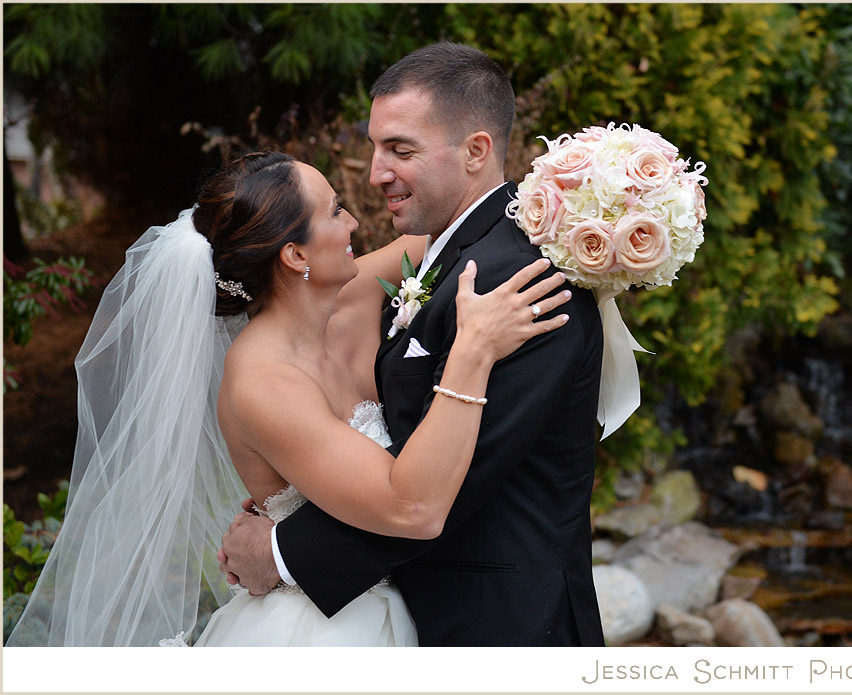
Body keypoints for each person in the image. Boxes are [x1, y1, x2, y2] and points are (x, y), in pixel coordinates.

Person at [5, 150, 571, 647]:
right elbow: (408, 508)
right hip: (323, 631)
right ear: (296, 257)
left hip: (424, 601)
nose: (353, 220)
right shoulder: (261, 384)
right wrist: (472, 352)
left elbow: (459, 231)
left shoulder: (353, 295)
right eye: (333, 211)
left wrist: (595, 201)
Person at [220, 42, 606, 646]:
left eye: (400, 149)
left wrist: (282, 551)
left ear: (476, 150)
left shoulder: (511, 281)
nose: (374, 175)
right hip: (402, 618)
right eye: (375, 148)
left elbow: (449, 490)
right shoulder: (446, 257)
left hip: (504, 629)